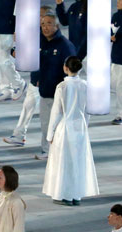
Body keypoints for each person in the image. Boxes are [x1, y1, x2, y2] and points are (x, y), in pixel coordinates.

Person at [43, 56, 98, 206]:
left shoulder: (62, 87)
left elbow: (56, 112)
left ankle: (64, 194)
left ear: (66, 68)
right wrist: (84, 125)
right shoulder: (86, 85)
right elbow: (88, 111)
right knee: (78, 161)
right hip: (80, 127)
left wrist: (50, 134)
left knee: (64, 162)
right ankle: (76, 195)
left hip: (65, 127)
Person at [3, 5, 53, 147]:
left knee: (49, 115)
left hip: (46, 82)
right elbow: (21, 47)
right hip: (36, 79)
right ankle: (19, 135)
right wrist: (15, 51)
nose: (38, 18)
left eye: (41, 16)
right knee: (28, 107)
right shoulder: (34, 32)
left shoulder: (49, 37)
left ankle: (49, 146)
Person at [35, 13, 75, 160]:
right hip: (45, 91)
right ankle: (47, 150)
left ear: (57, 26)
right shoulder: (41, 42)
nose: (45, 27)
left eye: (49, 23)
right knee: (45, 123)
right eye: (43, 24)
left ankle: (60, 150)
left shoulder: (65, 46)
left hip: (59, 94)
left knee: (59, 125)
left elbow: (72, 70)